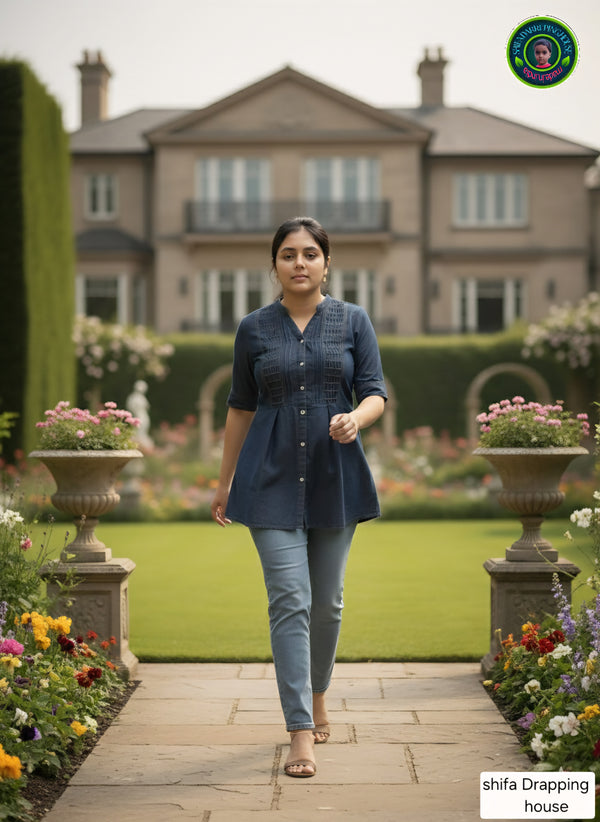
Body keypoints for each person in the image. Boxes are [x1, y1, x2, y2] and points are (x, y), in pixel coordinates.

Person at [210, 216, 386, 778]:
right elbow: (240, 406)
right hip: (269, 479)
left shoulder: (354, 321)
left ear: (327, 263)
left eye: (310, 253)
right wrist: (224, 481)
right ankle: (299, 732)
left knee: (327, 603)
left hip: (336, 475)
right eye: (288, 254)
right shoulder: (253, 328)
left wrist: (356, 418)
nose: (300, 263)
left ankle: (317, 693)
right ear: (275, 265)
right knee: (291, 600)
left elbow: (376, 392)